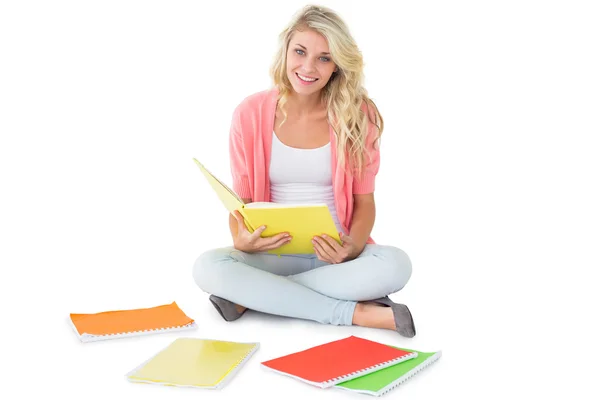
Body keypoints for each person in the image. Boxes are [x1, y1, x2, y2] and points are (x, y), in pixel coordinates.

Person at [193, 4, 416, 337]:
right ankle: (354, 313)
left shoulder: (358, 114)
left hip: (336, 256)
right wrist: (241, 239)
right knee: (207, 267)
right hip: (272, 252)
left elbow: (365, 201)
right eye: (300, 52)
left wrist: (352, 247)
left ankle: (255, 297)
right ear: (286, 51)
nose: (308, 67)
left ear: (338, 65)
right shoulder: (250, 113)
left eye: (324, 58)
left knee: (397, 264)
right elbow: (242, 202)